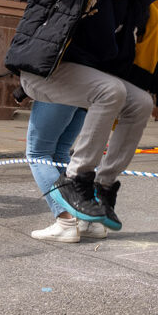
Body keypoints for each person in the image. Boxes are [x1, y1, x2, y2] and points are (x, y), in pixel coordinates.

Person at [5, 0, 158, 232]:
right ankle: (76, 189)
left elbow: (146, 49)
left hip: (90, 82)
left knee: (138, 102)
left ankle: (101, 189)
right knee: (43, 148)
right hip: (48, 72)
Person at [25, 101, 109, 242]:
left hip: (56, 91)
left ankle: (66, 223)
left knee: (38, 154)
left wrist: (22, 89)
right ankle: (89, 221)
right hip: (82, 98)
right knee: (60, 153)